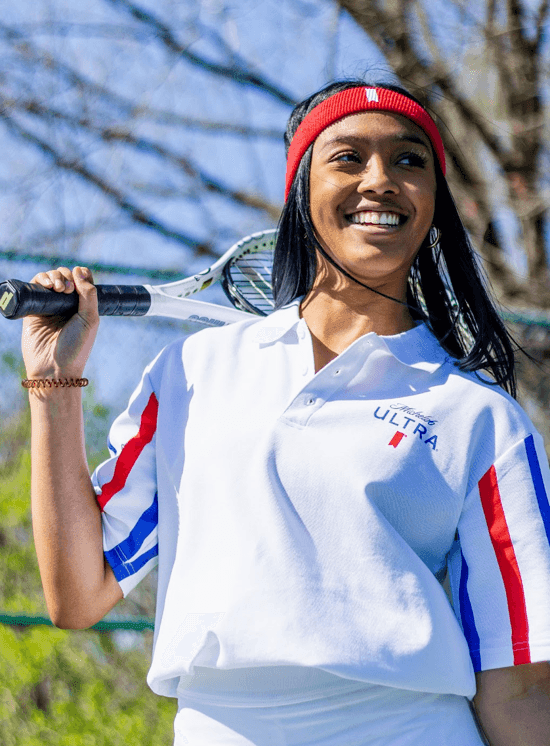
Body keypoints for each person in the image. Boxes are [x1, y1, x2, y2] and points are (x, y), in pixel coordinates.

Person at [21, 79, 550, 746]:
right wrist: (54, 386)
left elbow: (521, 689)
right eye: (349, 157)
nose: (381, 180)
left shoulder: (483, 419)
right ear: (300, 192)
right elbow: (77, 594)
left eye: (410, 160)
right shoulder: (190, 374)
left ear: (433, 203)